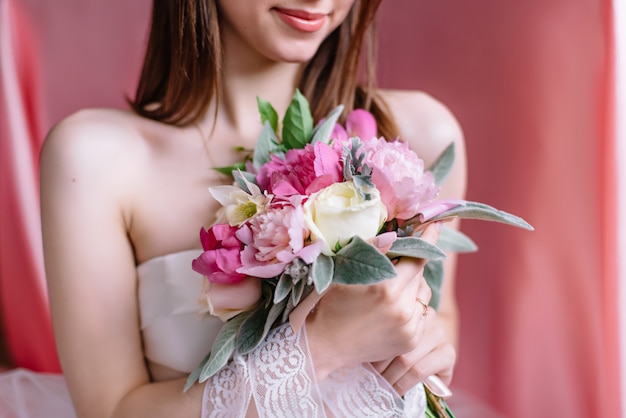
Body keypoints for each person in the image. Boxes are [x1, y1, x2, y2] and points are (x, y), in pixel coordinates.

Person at [7, 0, 466, 416]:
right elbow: (111, 411)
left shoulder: (415, 139)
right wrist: (321, 347)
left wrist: (429, 344)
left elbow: (439, 321)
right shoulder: (95, 160)